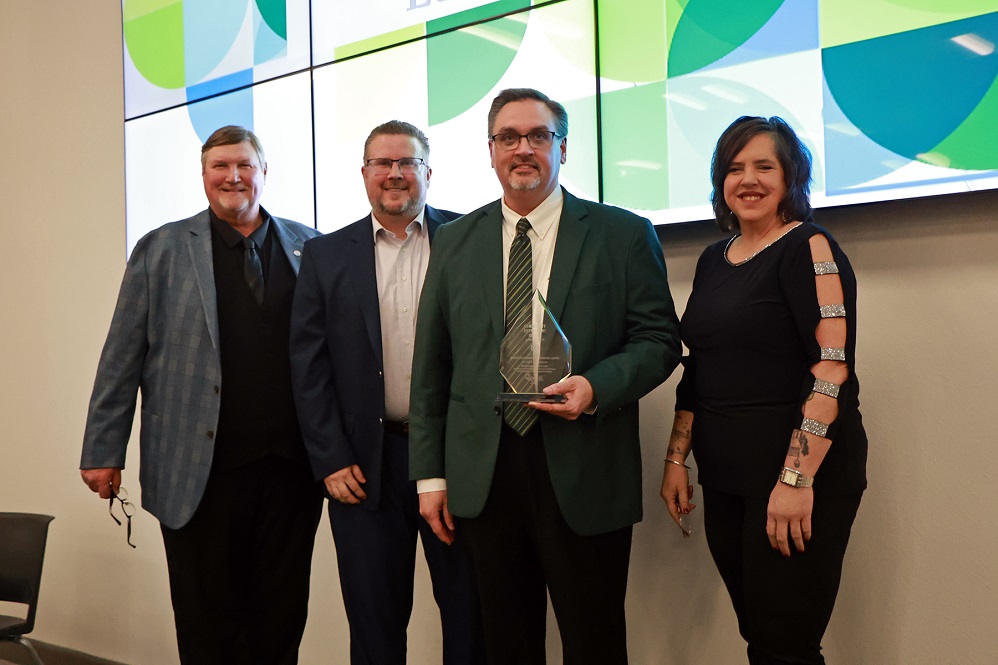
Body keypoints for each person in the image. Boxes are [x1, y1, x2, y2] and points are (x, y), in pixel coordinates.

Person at [410, 88, 682, 664]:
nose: (524, 149)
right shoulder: (454, 242)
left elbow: (659, 341)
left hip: (584, 462)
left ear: (563, 147)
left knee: (595, 639)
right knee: (506, 643)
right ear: (491, 151)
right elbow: (432, 366)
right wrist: (430, 475)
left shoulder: (624, 234)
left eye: (539, 136)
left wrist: (595, 388)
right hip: (485, 472)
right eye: (509, 137)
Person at [80, 126, 324, 665]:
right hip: (198, 473)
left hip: (291, 473)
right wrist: (103, 449)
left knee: (282, 616)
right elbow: (121, 356)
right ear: (204, 176)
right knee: (208, 621)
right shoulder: (161, 248)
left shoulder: (312, 248)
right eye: (220, 167)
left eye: (244, 165)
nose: (233, 176)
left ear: (263, 173)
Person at [660, 116, 868, 665]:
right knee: (760, 635)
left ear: (791, 176)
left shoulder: (811, 247)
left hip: (795, 482)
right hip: (727, 478)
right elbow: (699, 367)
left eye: (763, 166)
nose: (747, 180)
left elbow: (832, 370)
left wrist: (796, 480)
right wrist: (676, 458)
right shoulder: (714, 257)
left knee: (786, 646)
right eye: (734, 168)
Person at [290, 120, 484, 665]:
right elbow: (308, 367)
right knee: (374, 625)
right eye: (383, 164)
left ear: (428, 172)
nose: (395, 174)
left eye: (408, 163)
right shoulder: (325, 256)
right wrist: (330, 457)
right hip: (362, 468)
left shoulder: (471, 240)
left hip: (455, 460)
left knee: (470, 616)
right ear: (365, 174)